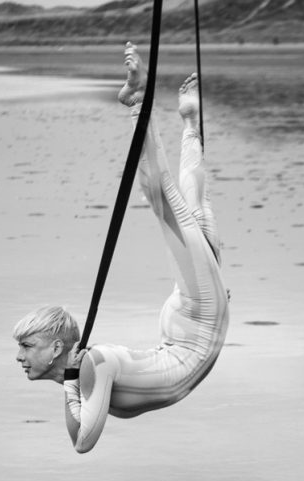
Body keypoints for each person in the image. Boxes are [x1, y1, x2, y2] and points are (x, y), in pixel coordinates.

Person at [13, 43, 229, 454]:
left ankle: (140, 102)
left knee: (169, 205)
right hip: (188, 326)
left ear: (57, 348)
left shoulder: (95, 364)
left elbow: (83, 443)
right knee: (192, 212)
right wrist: (70, 381)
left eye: (26, 346)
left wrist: (73, 380)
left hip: (199, 319)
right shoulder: (82, 371)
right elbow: (81, 431)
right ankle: (188, 124)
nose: (19, 357)